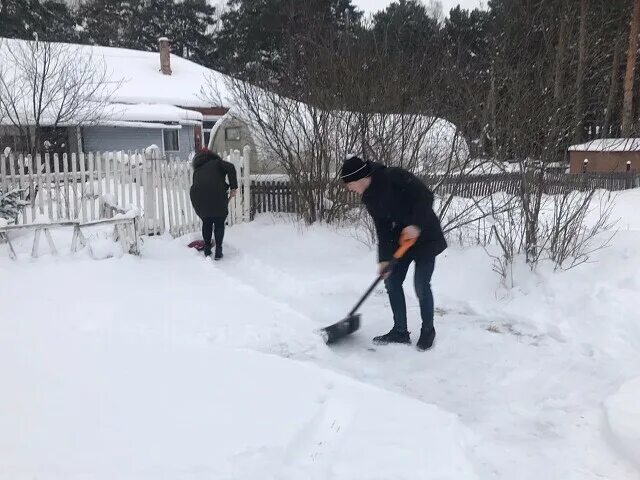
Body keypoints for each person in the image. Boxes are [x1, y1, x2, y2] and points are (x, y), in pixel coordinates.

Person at [340, 155, 447, 351]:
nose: (349, 189)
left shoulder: (395, 176)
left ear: (358, 178)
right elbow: (383, 228)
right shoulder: (369, 198)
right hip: (402, 242)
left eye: (349, 184)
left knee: (421, 285)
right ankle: (400, 331)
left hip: (425, 236)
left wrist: (415, 225)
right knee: (391, 281)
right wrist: (384, 260)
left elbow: (426, 197)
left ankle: (428, 330)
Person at [189, 149, 238, 260]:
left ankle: (207, 249)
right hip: (219, 198)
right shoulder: (217, 163)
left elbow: (195, 187)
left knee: (207, 222)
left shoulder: (197, 170)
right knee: (219, 223)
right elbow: (230, 167)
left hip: (202, 201)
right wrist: (233, 187)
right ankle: (218, 250)